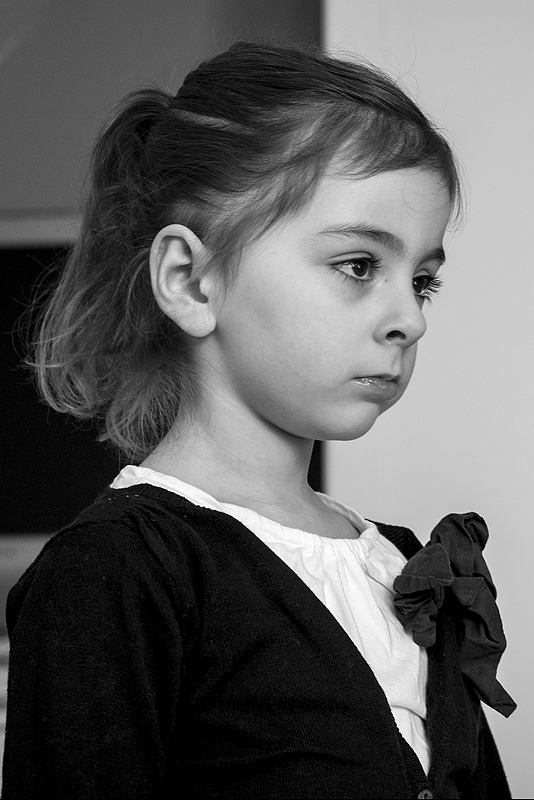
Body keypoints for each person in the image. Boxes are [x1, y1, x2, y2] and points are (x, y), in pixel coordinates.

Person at [2, 41, 516, 799]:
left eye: (423, 281)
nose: (410, 318)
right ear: (191, 280)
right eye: (358, 266)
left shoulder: (401, 563)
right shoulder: (118, 573)